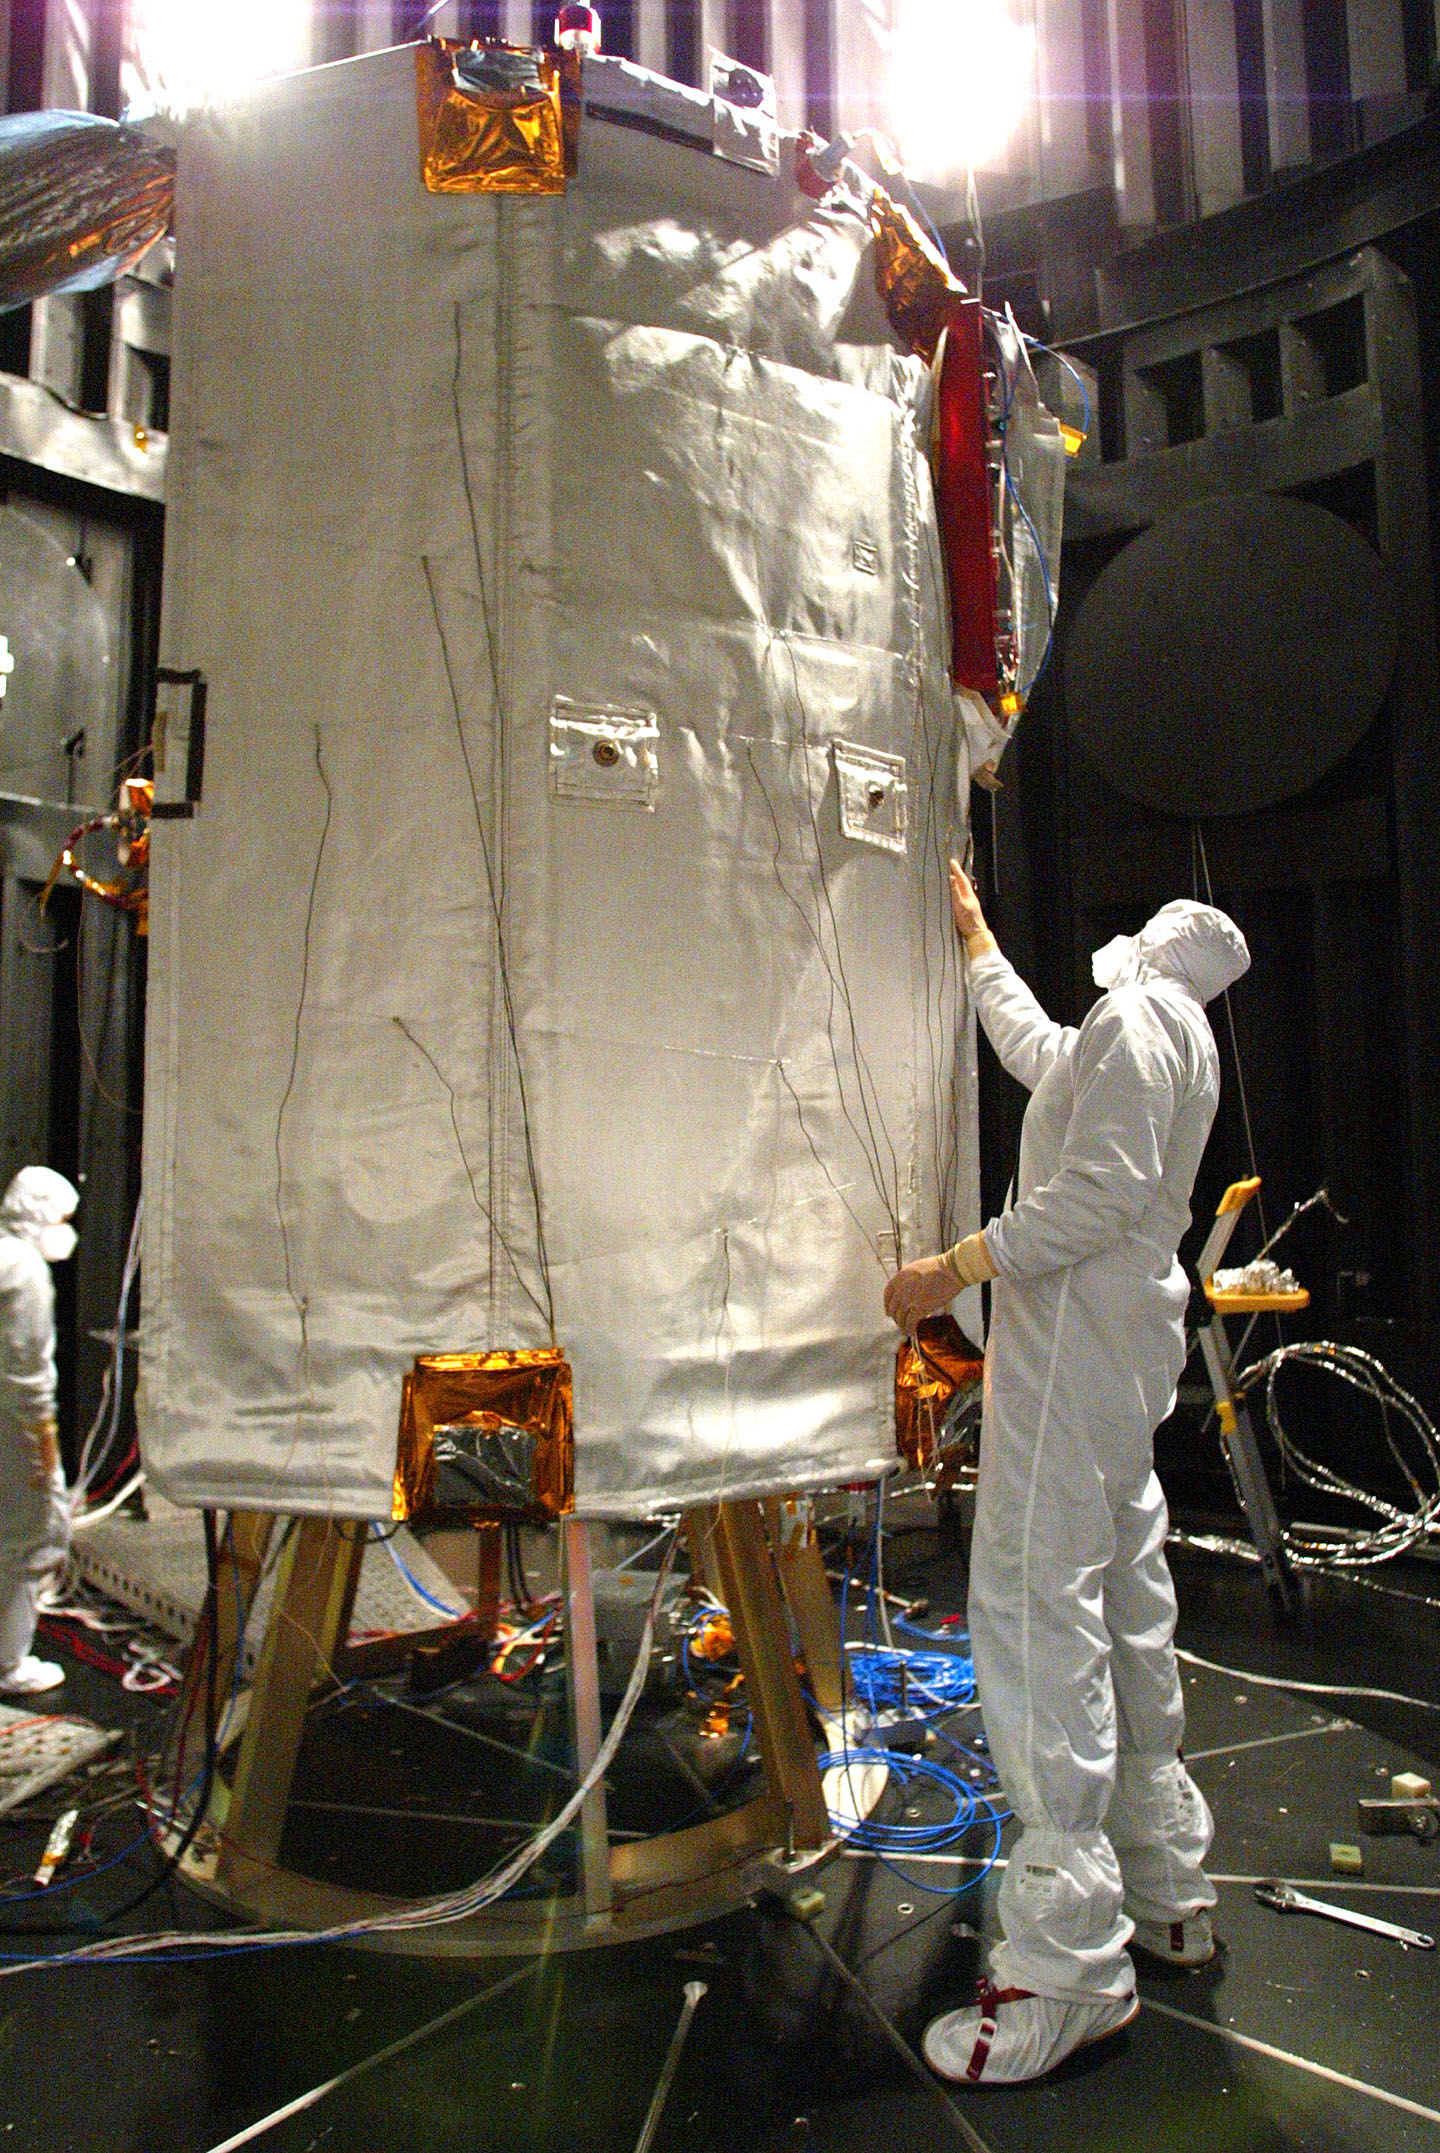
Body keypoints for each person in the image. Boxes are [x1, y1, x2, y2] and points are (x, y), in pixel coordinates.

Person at [884, 861, 1250, 2085]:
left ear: (1150, 948)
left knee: (1038, 1609)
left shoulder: (1142, 1019)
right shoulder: (1160, 1030)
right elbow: (1047, 1058)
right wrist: (981, 940)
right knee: (1124, 1585)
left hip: (1070, 1338)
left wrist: (954, 1266)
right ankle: (1164, 1881)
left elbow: (1094, 1193)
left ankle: (1066, 1963)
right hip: (1113, 1350)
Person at [0, 1166, 79, 1696]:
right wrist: (44, 1439)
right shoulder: (24, 1269)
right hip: (15, 1425)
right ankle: (8, 1663)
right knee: (31, 1536)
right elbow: (28, 1365)